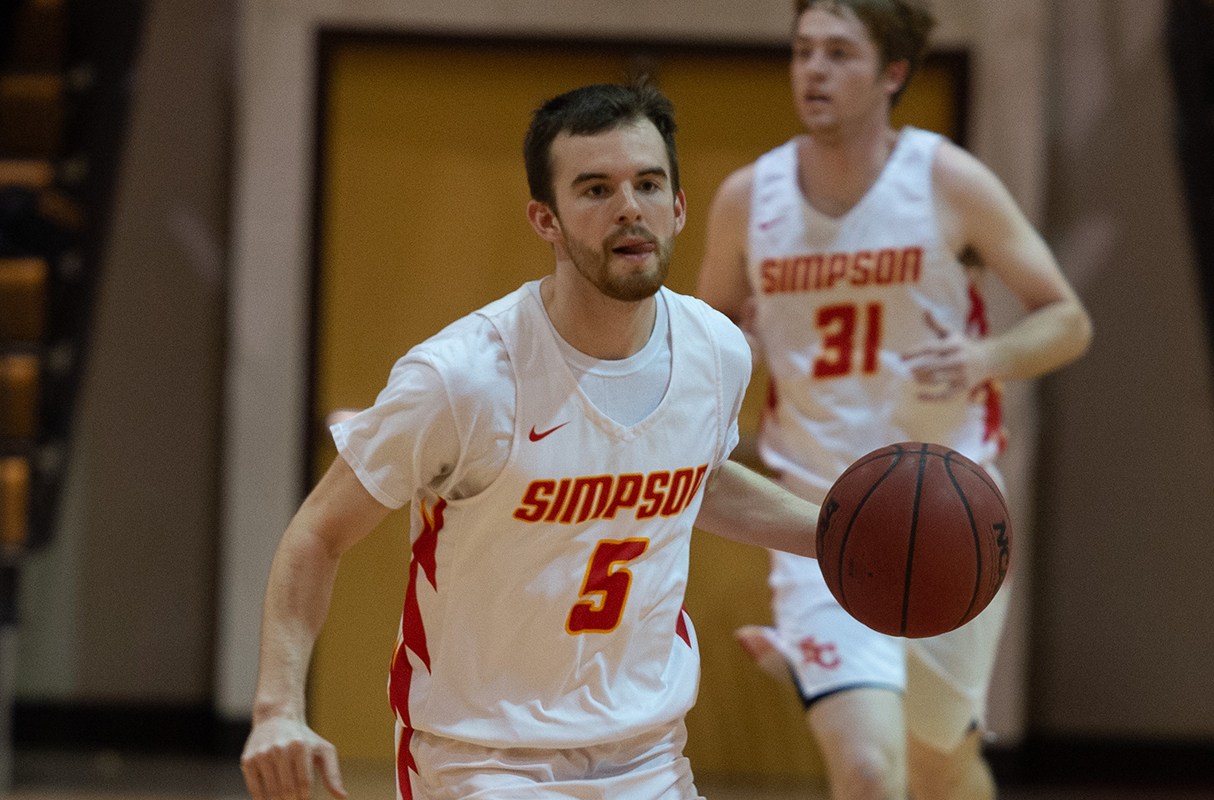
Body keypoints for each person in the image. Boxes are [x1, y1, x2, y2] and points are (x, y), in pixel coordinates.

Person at [237, 83, 825, 800]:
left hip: (647, 752)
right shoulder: (463, 378)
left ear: (677, 207)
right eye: (595, 189)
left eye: (647, 183)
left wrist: (837, 535)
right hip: (482, 757)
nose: (628, 207)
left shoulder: (717, 350)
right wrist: (276, 711)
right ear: (544, 219)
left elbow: (693, 478)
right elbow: (317, 535)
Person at [695, 2, 1091, 798]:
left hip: (952, 509)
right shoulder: (748, 198)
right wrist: (741, 351)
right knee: (872, 771)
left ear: (893, 74)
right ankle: (826, 669)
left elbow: (1068, 318)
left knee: (941, 761)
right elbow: (706, 348)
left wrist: (986, 358)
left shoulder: (945, 180)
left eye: (840, 53)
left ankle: (811, 674)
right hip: (819, 515)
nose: (813, 69)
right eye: (804, 50)